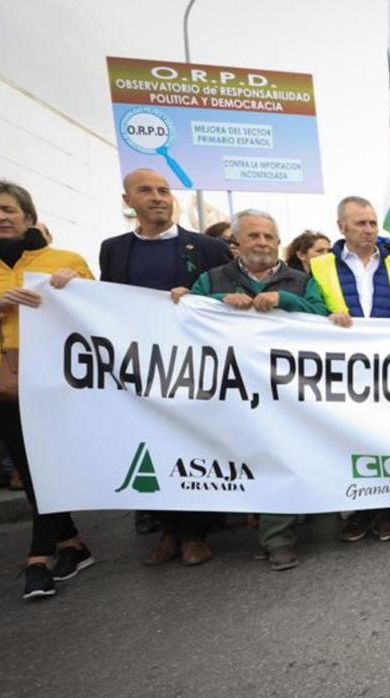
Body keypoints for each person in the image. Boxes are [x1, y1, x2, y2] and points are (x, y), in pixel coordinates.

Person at [177, 210, 327, 569]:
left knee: (281, 455)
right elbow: (185, 318)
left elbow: (322, 317)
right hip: (231, 390)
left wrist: (285, 300)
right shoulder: (211, 280)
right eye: (253, 236)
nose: (262, 243)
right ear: (236, 243)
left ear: (278, 242)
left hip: (285, 389)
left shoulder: (301, 281)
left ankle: (278, 539)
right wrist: (217, 302)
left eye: (269, 237)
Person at [100, 168, 231, 558]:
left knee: (192, 441)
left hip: (194, 362)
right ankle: (168, 529)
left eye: (163, 190)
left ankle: (194, 533)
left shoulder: (206, 247)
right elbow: (105, 300)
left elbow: (227, 293)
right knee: (151, 442)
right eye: (145, 190)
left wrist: (198, 299)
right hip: (139, 363)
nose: (157, 197)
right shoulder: (114, 249)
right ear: (127, 201)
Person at [0, 178, 96, 599]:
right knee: (28, 464)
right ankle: (71, 543)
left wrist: (77, 285)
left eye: (8, 209)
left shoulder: (65, 259)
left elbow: (97, 313)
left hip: (54, 371)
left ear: (29, 217)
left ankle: (39, 556)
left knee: (47, 461)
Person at [310, 195, 390, 541]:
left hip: (386, 367)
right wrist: (324, 316)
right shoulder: (319, 267)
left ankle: (385, 514)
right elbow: (307, 307)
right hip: (340, 368)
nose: (369, 229)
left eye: (373, 223)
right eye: (361, 223)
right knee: (350, 439)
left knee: (386, 436)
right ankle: (358, 512)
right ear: (341, 226)